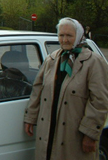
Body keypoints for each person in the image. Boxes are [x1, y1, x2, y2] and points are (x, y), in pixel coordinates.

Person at [24, 17, 108, 160]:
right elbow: (37, 90)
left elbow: (99, 101)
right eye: (61, 35)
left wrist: (90, 134)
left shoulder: (93, 62)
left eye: (69, 35)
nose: (64, 40)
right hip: (48, 131)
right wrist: (30, 117)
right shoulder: (52, 59)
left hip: (74, 134)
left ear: (79, 36)